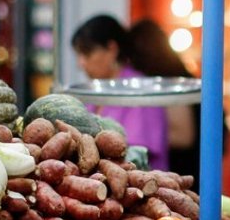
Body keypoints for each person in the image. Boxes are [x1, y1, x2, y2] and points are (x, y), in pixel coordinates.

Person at [70, 14, 170, 171]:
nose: (80, 63)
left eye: (87, 54)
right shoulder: (93, 91)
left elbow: (136, 153)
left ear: (111, 49)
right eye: (79, 55)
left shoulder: (140, 90)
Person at [126, 18, 200, 188]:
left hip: (184, 168)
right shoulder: (174, 72)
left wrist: (139, 136)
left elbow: (184, 136)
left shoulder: (169, 79)